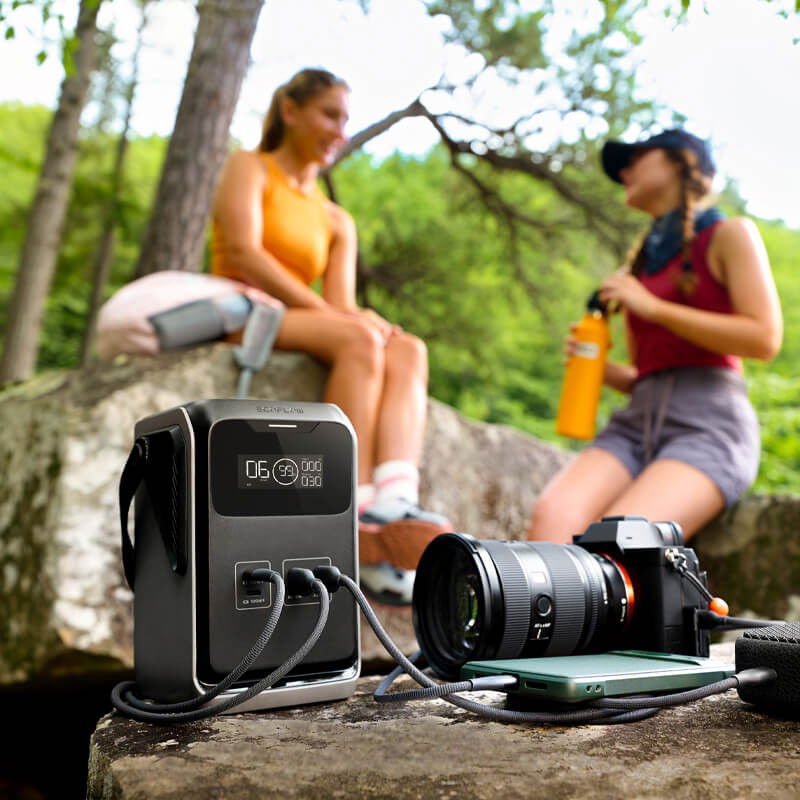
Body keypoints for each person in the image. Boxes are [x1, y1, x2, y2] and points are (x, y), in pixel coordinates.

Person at [210, 68, 450, 604]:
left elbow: (341, 303)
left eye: (345, 121)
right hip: (244, 311)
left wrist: (366, 318)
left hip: (304, 319)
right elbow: (245, 252)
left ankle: (393, 500)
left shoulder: (336, 218)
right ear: (290, 110)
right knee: (357, 339)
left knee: (407, 347)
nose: (339, 131)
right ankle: (353, 505)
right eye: (329, 115)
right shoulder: (250, 166)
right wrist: (342, 320)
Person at [528, 129, 782, 544]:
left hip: (708, 426)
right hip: (635, 423)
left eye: (636, 158)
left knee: (618, 544)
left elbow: (765, 337)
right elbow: (650, 374)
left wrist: (652, 307)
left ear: (681, 161)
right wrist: (603, 370)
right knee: (552, 518)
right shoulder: (643, 266)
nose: (624, 171)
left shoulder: (729, 233)